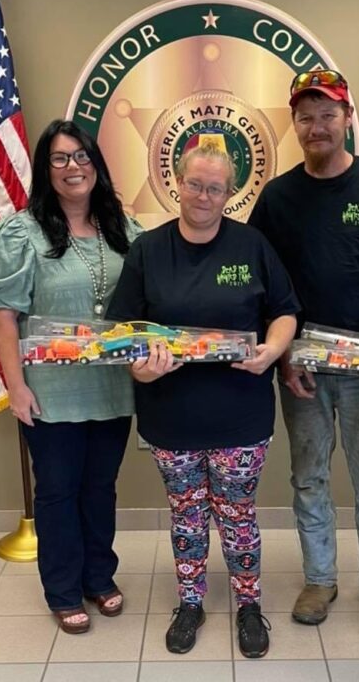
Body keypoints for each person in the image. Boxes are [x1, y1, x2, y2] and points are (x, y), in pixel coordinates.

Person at [248, 69, 359, 639]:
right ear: (295, 124)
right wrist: (282, 356)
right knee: (308, 478)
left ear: (347, 118)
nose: (317, 126)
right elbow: (263, 287)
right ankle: (319, 579)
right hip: (301, 365)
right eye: (306, 117)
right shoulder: (277, 197)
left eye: (328, 114)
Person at [107, 144, 299, 658]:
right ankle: (190, 603)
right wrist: (138, 367)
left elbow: (284, 311)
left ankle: (249, 605)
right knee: (187, 514)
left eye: (215, 188)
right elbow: (123, 331)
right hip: (172, 415)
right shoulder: (148, 250)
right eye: (195, 184)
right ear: (177, 182)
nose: (203, 196)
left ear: (230, 193)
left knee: (238, 514)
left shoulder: (252, 245)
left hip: (241, 413)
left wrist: (272, 351)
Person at [0, 119, 142, 634]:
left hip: (112, 389)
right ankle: (64, 590)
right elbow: (4, 317)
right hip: (49, 393)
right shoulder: (21, 232)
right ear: (46, 169)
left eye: (82, 156)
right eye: (61, 158)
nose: (74, 167)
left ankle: (98, 576)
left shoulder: (123, 229)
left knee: (100, 488)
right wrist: (15, 386)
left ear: (97, 164)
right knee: (58, 491)